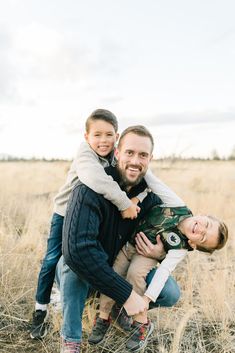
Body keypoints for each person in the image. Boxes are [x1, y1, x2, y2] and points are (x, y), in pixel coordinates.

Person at [60, 125, 184, 353]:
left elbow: (170, 235)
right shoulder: (90, 187)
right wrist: (127, 294)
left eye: (143, 155)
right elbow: (77, 251)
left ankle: (116, 310)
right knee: (70, 266)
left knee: (170, 292)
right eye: (130, 152)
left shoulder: (153, 199)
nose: (136, 161)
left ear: (150, 159)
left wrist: (160, 253)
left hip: (123, 267)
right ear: (117, 153)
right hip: (87, 272)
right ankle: (71, 340)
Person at [30, 108, 141, 339]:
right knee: (52, 259)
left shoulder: (115, 154)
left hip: (89, 216)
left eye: (109, 135)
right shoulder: (85, 155)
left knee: (95, 256)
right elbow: (94, 179)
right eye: (97, 135)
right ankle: (40, 311)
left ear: (117, 136)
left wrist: (139, 198)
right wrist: (124, 203)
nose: (103, 140)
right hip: (64, 214)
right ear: (86, 137)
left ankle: (96, 302)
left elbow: (139, 173)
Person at [88, 203, 228, 351]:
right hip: (126, 244)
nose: (200, 230)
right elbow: (154, 184)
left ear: (193, 244)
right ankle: (104, 316)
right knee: (114, 274)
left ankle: (138, 322)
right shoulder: (177, 207)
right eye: (205, 224)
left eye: (203, 238)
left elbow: (164, 271)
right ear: (203, 213)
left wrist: (147, 299)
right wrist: (138, 197)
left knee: (139, 276)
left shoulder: (180, 247)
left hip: (143, 260)